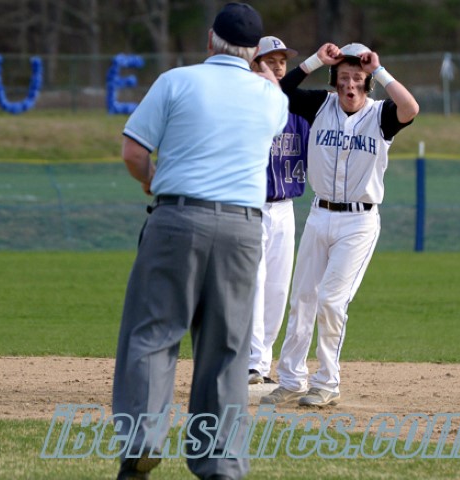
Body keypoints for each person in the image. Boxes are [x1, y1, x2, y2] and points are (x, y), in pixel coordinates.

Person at [112, 3, 288, 480]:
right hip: (243, 228)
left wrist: (150, 178)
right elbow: (273, 98)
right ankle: (221, 462)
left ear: (210, 40)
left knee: (153, 334)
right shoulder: (271, 99)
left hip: (178, 217)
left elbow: (133, 151)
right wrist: (264, 75)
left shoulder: (176, 81)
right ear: (255, 52)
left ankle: (143, 441)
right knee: (227, 349)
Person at [261, 42, 419, 407]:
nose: (350, 84)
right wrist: (316, 61)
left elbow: (411, 108)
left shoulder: (381, 114)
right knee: (303, 298)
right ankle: (291, 379)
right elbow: (276, 92)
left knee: (331, 301)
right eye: (344, 77)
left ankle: (327, 382)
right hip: (320, 215)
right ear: (335, 80)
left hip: (359, 221)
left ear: (368, 83)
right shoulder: (320, 105)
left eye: (358, 78)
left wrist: (378, 70)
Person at [247, 36, 310, 386]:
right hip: (251, 207)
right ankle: (250, 363)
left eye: (282, 61)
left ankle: (262, 363)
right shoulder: (245, 106)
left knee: (277, 290)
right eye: (269, 60)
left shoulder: (298, 112)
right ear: (253, 65)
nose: (278, 66)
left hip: (285, 209)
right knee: (254, 285)